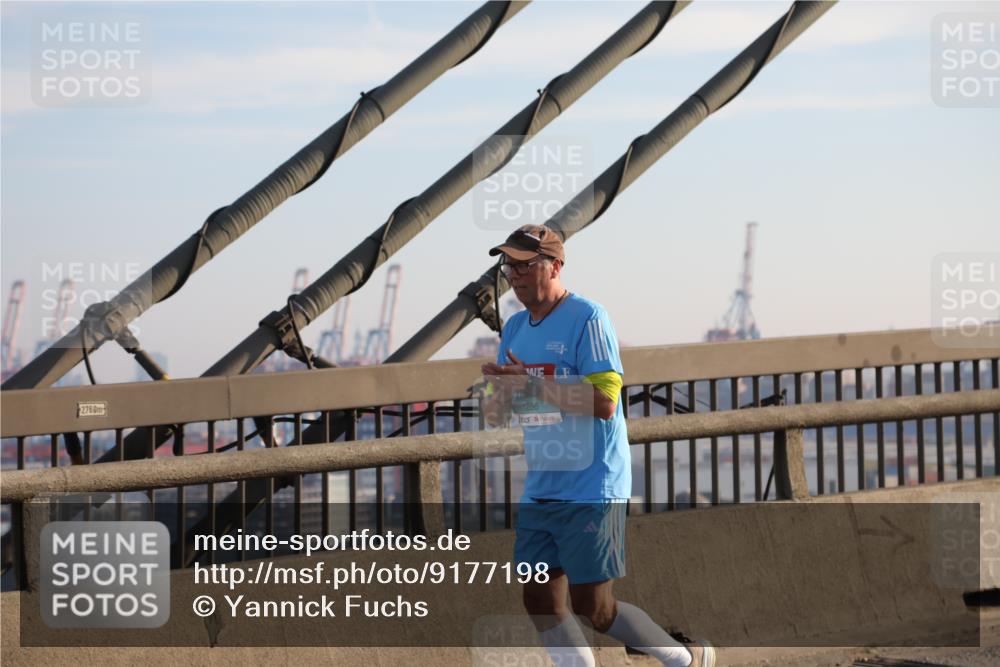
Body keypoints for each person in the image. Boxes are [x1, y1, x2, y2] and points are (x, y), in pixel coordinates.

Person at [480, 225, 716, 667]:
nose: (513, 274)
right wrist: (496, 395)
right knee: (539, 601)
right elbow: (502, 413)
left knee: (594, 607)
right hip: (542, 485)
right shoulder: (512, 328)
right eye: (508, 265)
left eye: (524, 264)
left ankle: (685, 659)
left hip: (593, 483)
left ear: (555, 265)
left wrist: (530, 384)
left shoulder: (589, 318)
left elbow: (605, 403)